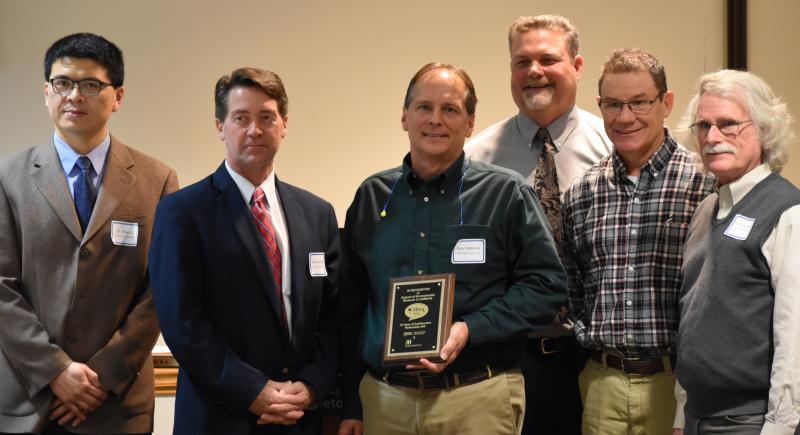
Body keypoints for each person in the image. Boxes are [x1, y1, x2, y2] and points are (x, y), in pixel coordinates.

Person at [337, 62, 566, 435]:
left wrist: (470, 329)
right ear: (404, 117)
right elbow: (350, 306)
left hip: (477, 398)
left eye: (450, 109)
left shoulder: (505, 194)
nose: (435, 120)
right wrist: (352, 400)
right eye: (424, 107)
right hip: (386, 402)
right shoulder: (372, 197)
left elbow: (546, 287)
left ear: (471, 121)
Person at [0, 33, 178, 434]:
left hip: (117, 402)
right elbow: (2, 286)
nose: (74, 95)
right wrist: (55, 371)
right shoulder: (7, 178)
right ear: (46, 92)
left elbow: (162, 289)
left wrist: (101, 376)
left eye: (91, 84)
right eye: (62, 83)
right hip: (30, 401)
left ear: (118, 96)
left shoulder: (158, 180)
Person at [149, 67, 339, 435]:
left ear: (284, 124)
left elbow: (332, 315)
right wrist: (252, 390)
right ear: (220, 126)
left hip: (300, 416)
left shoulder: (318, 214)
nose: (254, 130)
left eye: (266, 117)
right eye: (241, 118)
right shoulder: (182, 212)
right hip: (220, 416)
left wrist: (312, 385)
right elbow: (182, 322)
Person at [465, 15, 612, 434]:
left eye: (548, 59)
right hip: (509, 359)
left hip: (593, 359)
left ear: (578, 66)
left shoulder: (612, 148)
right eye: (521, 61)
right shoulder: (478, 158)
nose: (534, 71)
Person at [560, 48, 714, 435]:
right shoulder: (582, 193)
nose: (625, 117)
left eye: (640, 102)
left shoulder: (705, 183)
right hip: (602, 383)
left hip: (680, 383)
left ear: (667, 103)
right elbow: (573, 286)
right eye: (613, 104)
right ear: (599, 105)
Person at [675, 69, 800, 435]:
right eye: (703, 126)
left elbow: (794, 337)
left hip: (749, 422)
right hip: (700, 417)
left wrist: (780, 427)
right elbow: (693, 319)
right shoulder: (706, 209)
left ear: (763, 130)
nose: (713, 137)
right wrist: (682, 415)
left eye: (728, 124)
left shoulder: (788, 211)